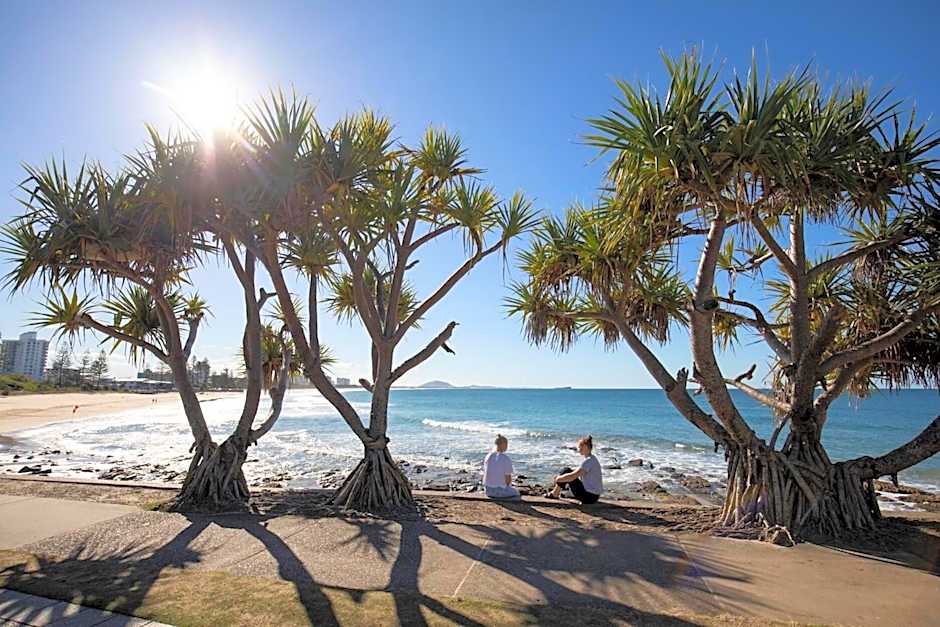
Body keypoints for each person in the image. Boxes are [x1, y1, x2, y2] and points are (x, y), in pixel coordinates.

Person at [549, 434, 603, 504]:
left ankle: (554, 494)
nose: (578, 448)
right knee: (567, 472)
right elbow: (576, 473)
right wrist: (561, 478)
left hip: (589, 497)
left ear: (586, 447)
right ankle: (556, 493)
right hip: (594, 496)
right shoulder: (592, 459)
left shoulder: (588, 461)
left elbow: (572, 477)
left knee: (566, 471)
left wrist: (558, 479)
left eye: (580, 446)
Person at [482, 434, 520, 499]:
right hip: (499, 491)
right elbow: (508, 479)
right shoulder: (505, 458)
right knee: (517, 493)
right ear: (503, 445)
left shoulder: (488, 456)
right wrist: (508, 486)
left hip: (488, 490)